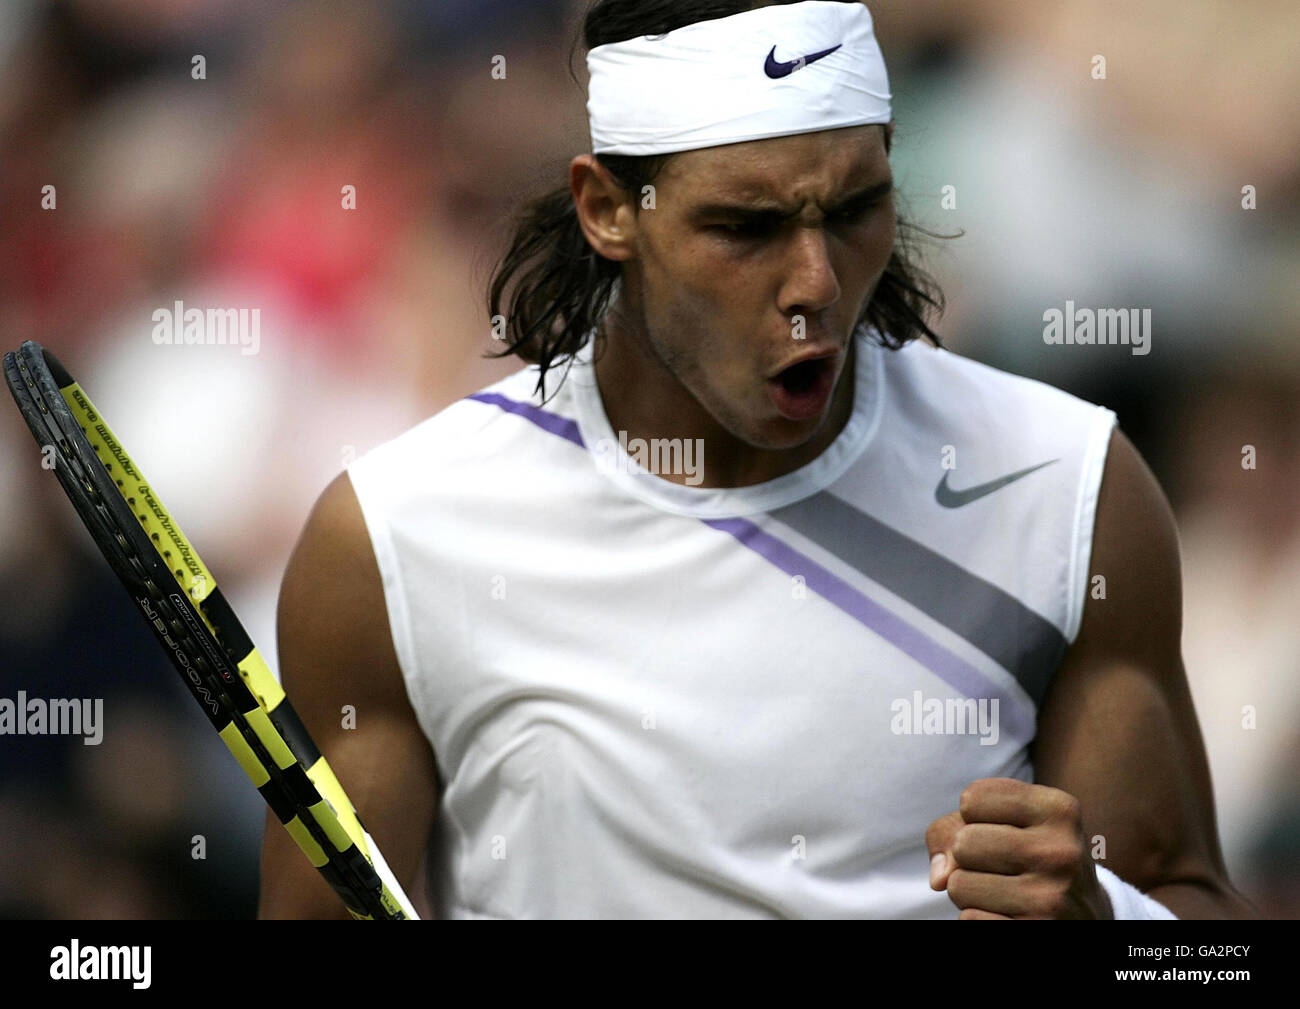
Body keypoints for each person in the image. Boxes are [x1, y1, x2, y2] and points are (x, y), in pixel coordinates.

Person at [258, 0, 1254, 919]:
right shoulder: (393, 536)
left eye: (855, 209)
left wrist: (1109, 923)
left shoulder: (1066, 487)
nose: (813, 283)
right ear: (607, 208)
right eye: (745, 227)